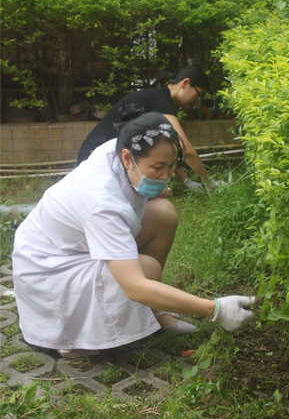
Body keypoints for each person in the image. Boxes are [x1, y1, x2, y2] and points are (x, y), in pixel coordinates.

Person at [12, 110, 256, 359]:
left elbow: (128, 189)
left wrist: (149, 185)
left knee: (162, 213)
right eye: (157, 168)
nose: (165, 176)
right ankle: (73, 338)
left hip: (77, 244)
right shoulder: (102, 202)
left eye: (171, 167)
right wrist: (215, 309)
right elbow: (135, 287)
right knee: (145, 271)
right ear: (128, 158)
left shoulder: (119, 149)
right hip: (52, 268)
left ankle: (153, 310)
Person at [77, 65, 225, 193]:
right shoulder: (161, 101)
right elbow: (184, 148)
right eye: (198, 94)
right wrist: (208, 182)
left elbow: (168, 149)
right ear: (185, 83)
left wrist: (186, 181)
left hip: (103, 157)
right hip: (95, 159)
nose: (197, 101)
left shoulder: (159, 99)